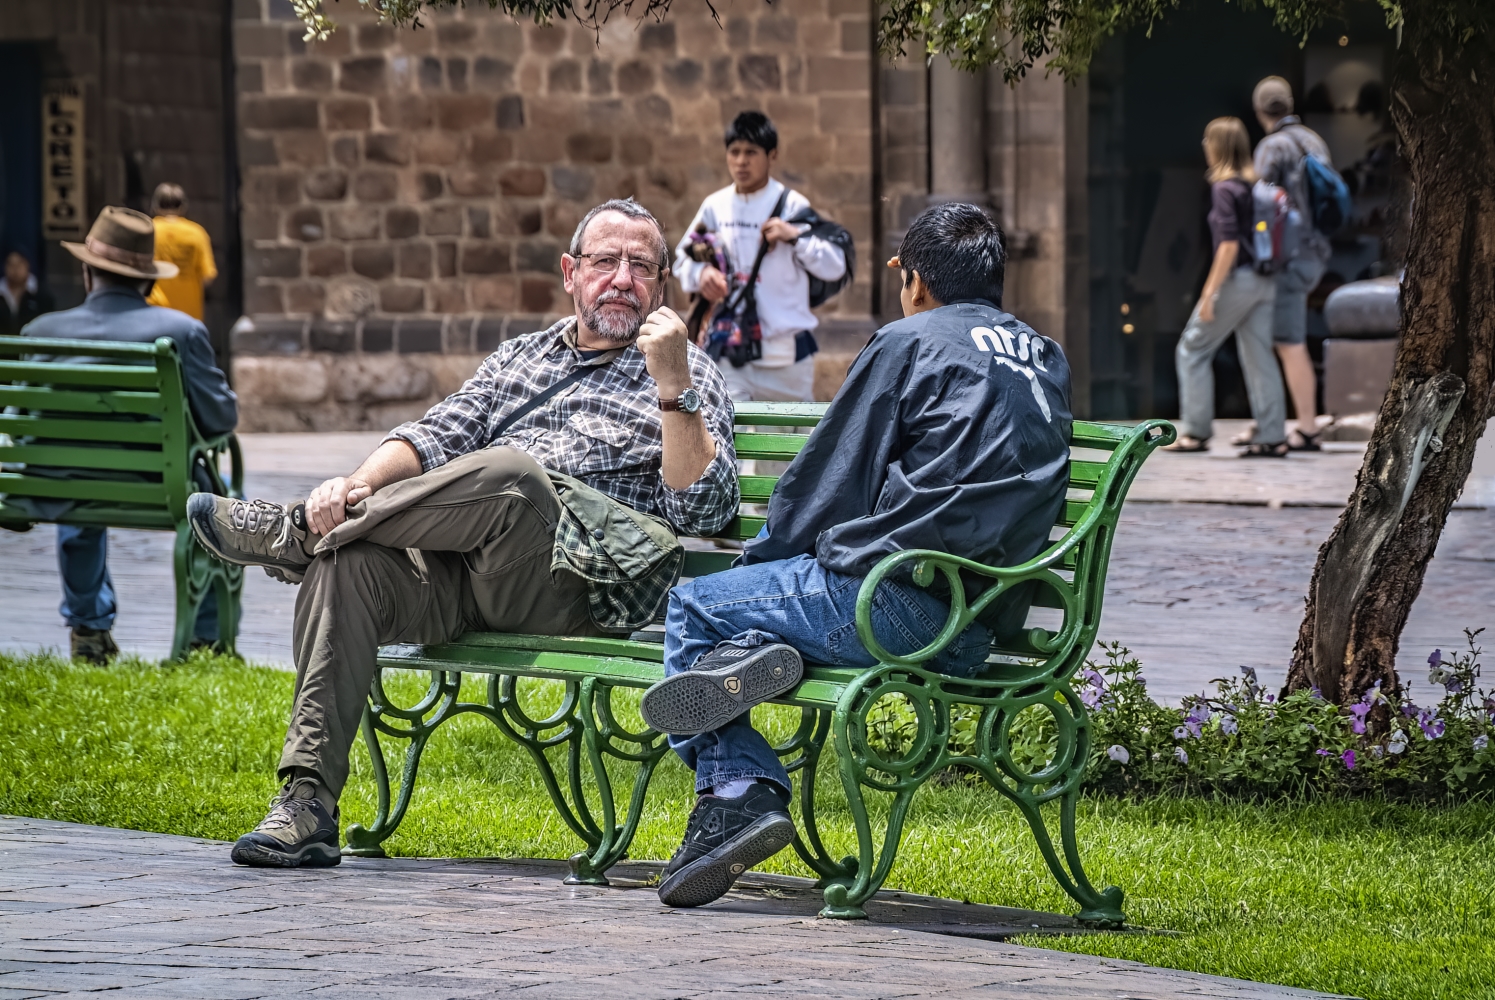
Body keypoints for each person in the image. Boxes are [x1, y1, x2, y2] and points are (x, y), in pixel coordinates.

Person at [186, 199, 738, 869]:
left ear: (661, 283)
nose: (622, 278)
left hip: (578, 584)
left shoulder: (687, 370)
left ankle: (289, 533)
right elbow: (435, 435)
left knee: (511, 475)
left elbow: (707, 513)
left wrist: (673, 384)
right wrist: (347, 488)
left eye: (640, 265)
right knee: (346, 565)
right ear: (570, 272)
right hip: (466, 573)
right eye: (604, 261)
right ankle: (306, 805)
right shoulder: (521, 358)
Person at [637, 203, 1072, 908]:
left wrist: (762, 562)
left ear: (916, 281)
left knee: (697, 605)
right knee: (742, 626)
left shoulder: (909, 340)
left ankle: (740, 790)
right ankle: (747, 653)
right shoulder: (1044, 357)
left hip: (889, 607)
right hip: (976, 626)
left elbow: (829, 479)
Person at [18, 206, 238, 664]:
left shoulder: (40, 331)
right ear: (148, 280)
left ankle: (88, 630)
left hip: (55, 484)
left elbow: (23, 420)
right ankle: (204, 637)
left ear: (87, 271)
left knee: (76, 476)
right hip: (158, 488)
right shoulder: (181, 330)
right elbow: (220, 421)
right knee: (214, 493)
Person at [674, 111, 847, 403]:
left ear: (772, 155)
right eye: (735, 152)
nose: (741, 161)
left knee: (785, 444)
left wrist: (794, 236)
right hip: (729, 353)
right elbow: (682, 260)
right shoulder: (715, 206)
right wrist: (701, 275)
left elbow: (834, 266)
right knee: (730, 436)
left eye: (751, 152)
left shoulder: (792, 206)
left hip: (786, 360)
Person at [1167, 117, 1288, 457]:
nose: (1204, 145)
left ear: (1217, 147)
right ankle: (1272, 434)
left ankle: (1195, 431)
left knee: (1192, 348)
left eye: (1208, 140)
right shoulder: (1253, 185)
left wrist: (1208, 294)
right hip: (1265, 280)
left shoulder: (1223, 189)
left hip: (1239, 280)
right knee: (1258, 353)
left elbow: (1229, 246)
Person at [1253, 77, 1332, 452]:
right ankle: (1284, 421)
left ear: (1259, 111)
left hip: (1288, 258)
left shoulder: (1272, 146)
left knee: (1288, 341)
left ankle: (1307, 427)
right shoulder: (1313, 140)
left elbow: (1262, 204)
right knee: (1284, 338)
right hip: (1316, 252)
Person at [143, 183, 217, 322]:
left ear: (155, 205)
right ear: (183, 206)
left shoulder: (148, 231)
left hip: (154, 313)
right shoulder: (197, 233)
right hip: (188, 315)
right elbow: (208, 276)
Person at [1, 251, 54, 336]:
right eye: (11, 264)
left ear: (27, 265)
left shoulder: (42, 296)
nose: (15, 269)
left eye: (19, 264)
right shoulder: (2, 294)